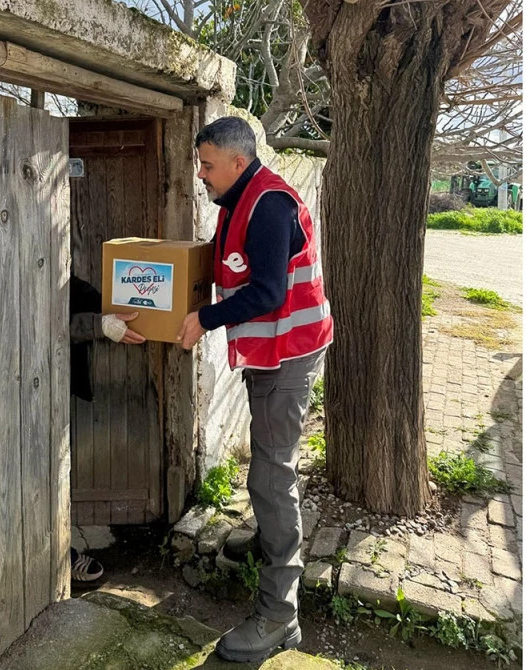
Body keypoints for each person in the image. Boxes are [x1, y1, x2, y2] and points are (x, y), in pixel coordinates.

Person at [176, 117, 334, 663]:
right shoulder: (242, 199)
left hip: (287, 355)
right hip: (273, 353)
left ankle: (278, 616)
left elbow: (266, 292)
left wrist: (204, 318)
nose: (201, 175)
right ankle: (270, 546)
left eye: (208, 164)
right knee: (268, 469)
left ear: (238, 163)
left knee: (271, 475)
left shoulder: (268, 206)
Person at [68, 274, 145, 582]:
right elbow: (30, 318)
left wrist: (151, 308)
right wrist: (95, 326)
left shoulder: (47, 251)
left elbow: (76, 293)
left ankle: (61, 552)